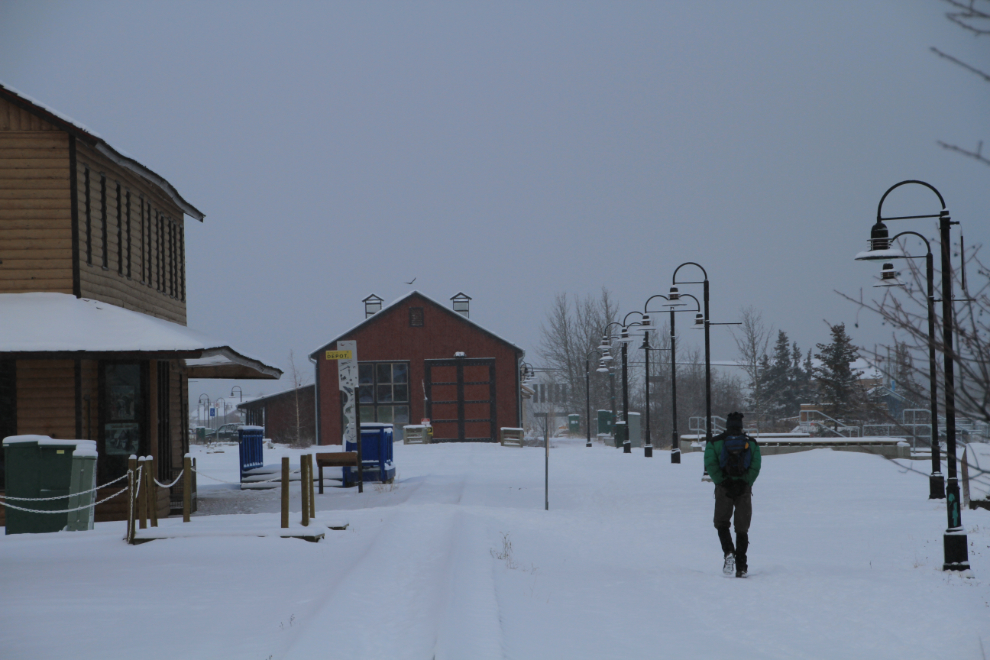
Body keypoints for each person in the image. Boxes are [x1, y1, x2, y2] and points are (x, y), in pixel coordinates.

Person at [704, 411, 761, 578]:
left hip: (724, 488)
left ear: (726, 425)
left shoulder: (715, 442)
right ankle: (741, 565)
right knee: (742, 527)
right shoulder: (751, 443)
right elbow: (756, 465)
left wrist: (722, 481)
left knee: (721, 522)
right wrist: (745, 482)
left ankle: (728, 552)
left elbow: (710, 463)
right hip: (744, 489)